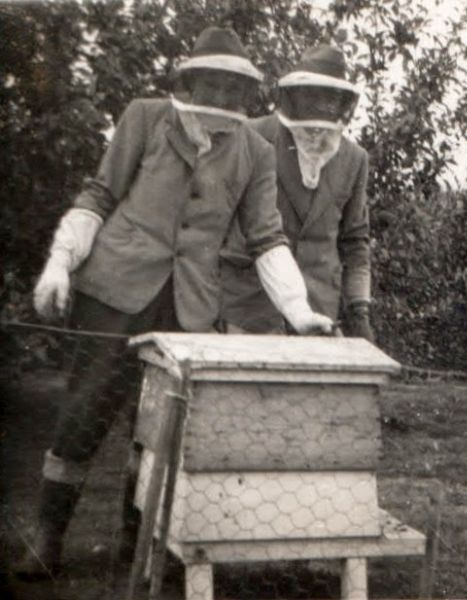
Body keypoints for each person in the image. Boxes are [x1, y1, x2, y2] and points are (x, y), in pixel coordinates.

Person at [16, 26, 334, 579]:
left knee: (161, 427)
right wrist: (59, 262)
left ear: (247, 93)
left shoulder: (255, 151)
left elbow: (266, 237)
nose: (223, 97)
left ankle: (139, 547)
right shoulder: (144, 118)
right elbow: (100, 194)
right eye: (212, 85)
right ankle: (47, 537)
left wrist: (298, 311)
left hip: (189, 307)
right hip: (114, 291)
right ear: (190, 82)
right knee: (85, 412)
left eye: (234, 89)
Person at [219, 43, 374, 341]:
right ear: (296, 95)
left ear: (342, 102)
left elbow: (355, 242)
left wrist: (359, 311)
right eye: (312, 95)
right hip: (248, 305)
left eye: (330, 98)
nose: (320, 105)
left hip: (319, 310)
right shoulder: (252, 135)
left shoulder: (355, 159)